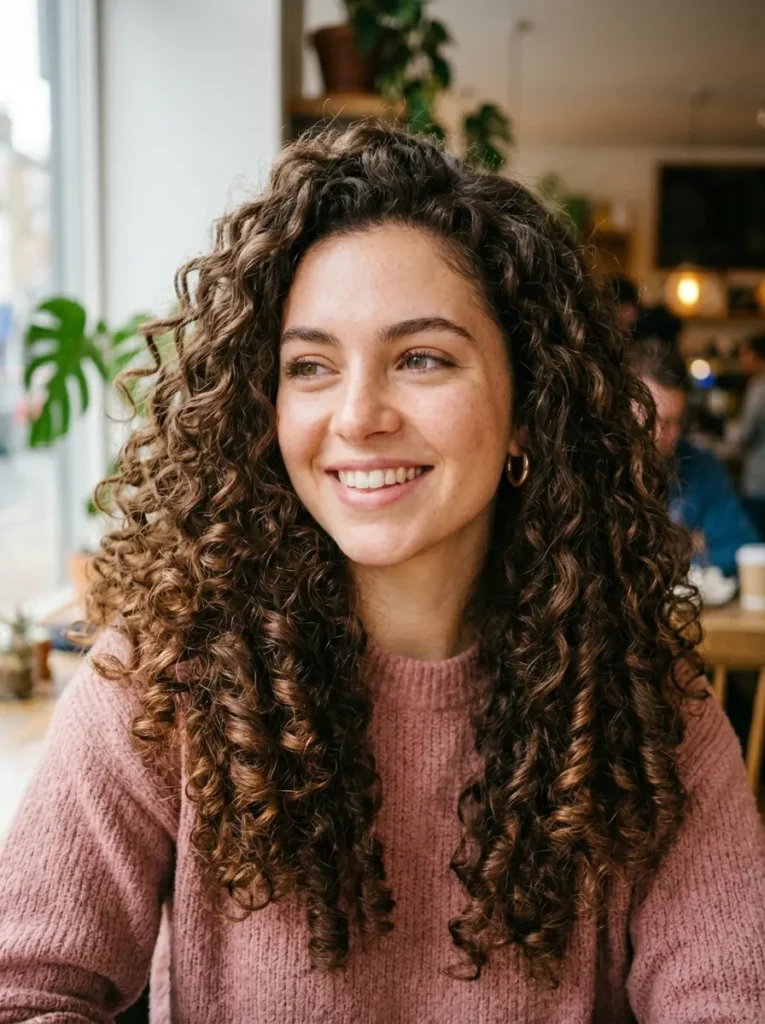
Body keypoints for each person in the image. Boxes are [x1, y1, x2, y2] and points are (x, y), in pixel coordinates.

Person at [1, 124, 763, 1024]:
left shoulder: (648, 708)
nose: (357, 415)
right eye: (310, 367)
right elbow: (28, 990)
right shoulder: (164, 684)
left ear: (528, 408)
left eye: (421, 358)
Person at [631, 336, 759, 577]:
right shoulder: (598, 468)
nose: (667, 435)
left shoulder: (700, 465)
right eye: (652, 420)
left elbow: (741, 549)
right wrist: (690, 544)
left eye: (675, 421)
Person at [737, 333, 765, 539]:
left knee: (755, 540)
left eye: (745, 355)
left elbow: (745, 434)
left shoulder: (758, 388)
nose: (742, 360)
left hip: (759, 478)